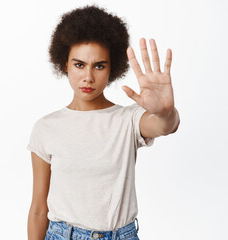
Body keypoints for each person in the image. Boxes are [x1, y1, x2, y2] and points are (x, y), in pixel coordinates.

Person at [27, 4, 180, 240]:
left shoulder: (128, 119)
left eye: (99, 65)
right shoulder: (46, 128)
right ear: (65, 64)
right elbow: (38, 209)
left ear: (113, 69)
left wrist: (166, 111)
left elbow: (165, 125)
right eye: (79, 64)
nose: (88, 76)